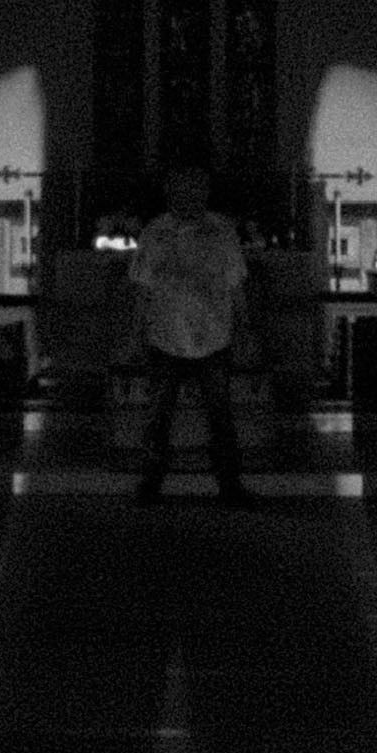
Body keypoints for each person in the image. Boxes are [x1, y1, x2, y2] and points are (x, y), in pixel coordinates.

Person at [127, 165, 248, 505]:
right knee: (159, 416)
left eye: (195, 189)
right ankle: (152, 482)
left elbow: (236, 285)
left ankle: (228, 484)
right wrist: (136, 334)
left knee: (219, 415)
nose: (189, 197)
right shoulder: (156, 232)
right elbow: (143, 289)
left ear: (205, 192)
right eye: (182, 190)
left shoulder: (221, 231)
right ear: (170, 193)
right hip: (168, 334)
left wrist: (244, 330)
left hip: (211, 333)